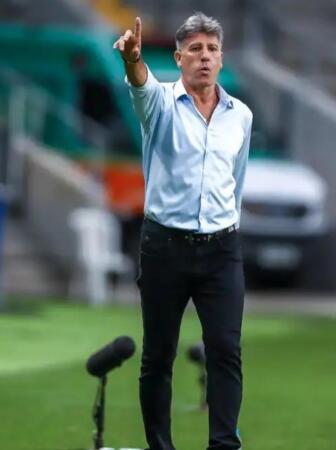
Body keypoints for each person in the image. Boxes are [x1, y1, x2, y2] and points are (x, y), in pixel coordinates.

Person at [114, 13, 252, 450]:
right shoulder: (160, 104)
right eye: (195, 49)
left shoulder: (241, 116)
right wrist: (132, 59)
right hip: (165, 247)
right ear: (178, 58)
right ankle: (161, 446)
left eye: (212, 49)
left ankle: (224, 446)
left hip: (221, 248)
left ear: (222, 57)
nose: (204, 57)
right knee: (158, 356)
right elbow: (140, 84)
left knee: (226, 351)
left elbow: (236, 181)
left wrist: (228, 226)